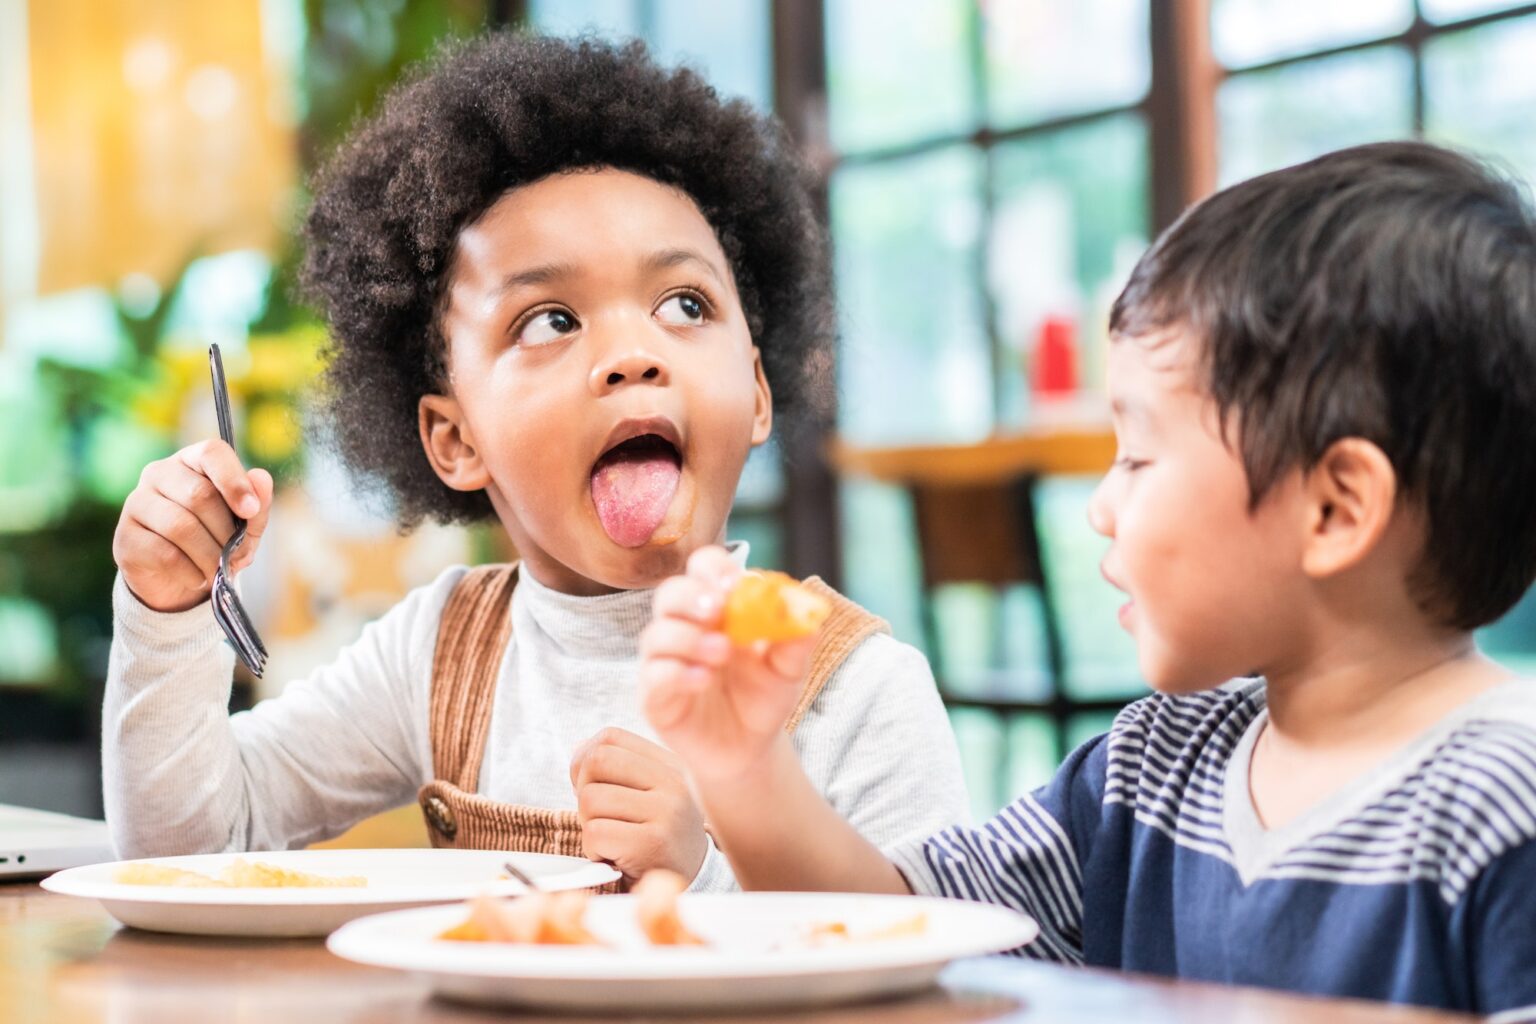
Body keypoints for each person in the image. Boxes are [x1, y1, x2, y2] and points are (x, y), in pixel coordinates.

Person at [639, 140, 1536, 1014]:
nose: (1101, 508)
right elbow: (893, 930)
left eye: (1139, 459)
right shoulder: (1150, 769)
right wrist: (746, 764)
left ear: (1336, 510)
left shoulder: (1505, 803)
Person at [102, 34, 967, 890]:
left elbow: (934, 963)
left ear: (756, 388)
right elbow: (194, 846)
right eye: (550, 320)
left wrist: (699, 876)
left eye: (684, 302)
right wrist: (166, 612)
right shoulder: (444, 651)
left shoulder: (856, 688)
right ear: (455, 440)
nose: (633, 353)